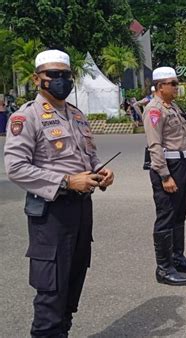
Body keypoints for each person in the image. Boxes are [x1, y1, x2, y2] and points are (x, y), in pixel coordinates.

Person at [3, 49, 115, 337]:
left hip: (81, 210)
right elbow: (15, 168)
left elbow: (88, 158)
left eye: (66, 75)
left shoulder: (77, 115)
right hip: (51, 213)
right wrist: (66, 181)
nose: (60, 80)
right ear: (37, 78)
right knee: (51, 291)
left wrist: (100, 172)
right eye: (53, 74)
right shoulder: (26, 117)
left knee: (72, 284)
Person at [143, 67, 186, 286]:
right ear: (160, 86)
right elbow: (155, 144)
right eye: (173, 83)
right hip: (168, 166)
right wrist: (165, 176)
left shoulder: (173, 106)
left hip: (183, 162)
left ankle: (178, 258)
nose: (177, 87)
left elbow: (182, 135)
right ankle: (164, 268)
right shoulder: (154, 109)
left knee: (179, 214)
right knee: (166, 215)